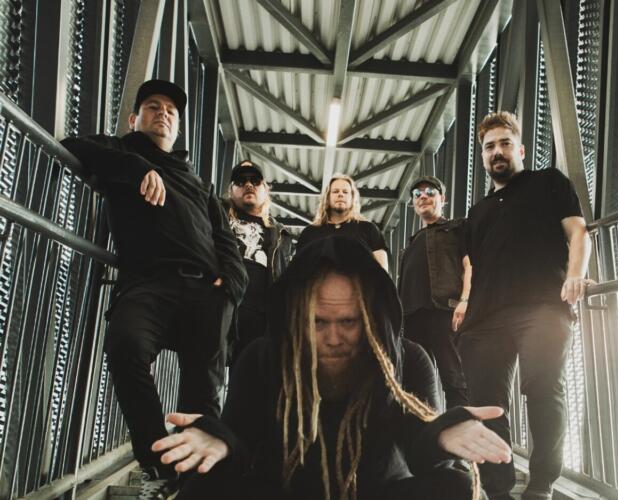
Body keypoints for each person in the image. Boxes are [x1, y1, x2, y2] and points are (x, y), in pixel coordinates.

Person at [152, 237, 512, 500]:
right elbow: (240, 441)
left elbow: (421, 453)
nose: (334, 337)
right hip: (284, 493)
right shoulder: (263, 357)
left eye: (349, 322)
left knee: (457, 486)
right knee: (206, 481)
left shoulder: (409, 360)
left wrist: (440, 438)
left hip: (377, 493)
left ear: (371, 318)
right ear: (296, 317)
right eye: (318, 322)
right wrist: (220, 443)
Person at [61, 80, 247, 486]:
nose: (163, 113)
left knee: (203, 394)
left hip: (206, 291)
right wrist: (137, 168)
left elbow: (226, 242)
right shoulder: (121, 151)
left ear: (177, 128)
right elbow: (72, 146)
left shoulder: (199, 183)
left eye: (171, 111)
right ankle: (159, 461)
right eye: (152, 106)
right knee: (125, 346)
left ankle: (195, 483)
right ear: (134, 118)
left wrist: (231, 286)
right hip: (146, 283)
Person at [458, 111, 593, 500]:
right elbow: (473, 267)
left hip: (542, 306)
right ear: (483, 156)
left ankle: (540, 485)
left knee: (544, 389)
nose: (497, 151)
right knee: (486, 405)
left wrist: (575, 274)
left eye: (504, 143)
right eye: (489, 147)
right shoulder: (478, 212)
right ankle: (497, 487)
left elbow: (578, 232)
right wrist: (465, 302)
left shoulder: (548, 182)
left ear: (520, 149)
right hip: (485, 317)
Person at [398, 175, 470, 409]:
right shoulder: (411, 244)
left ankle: (460, 428)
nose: (423, 197)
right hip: (412, 320)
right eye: (417, 194)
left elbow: (470, 265)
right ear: (413, 203)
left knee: (455, 378)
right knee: (416, 383)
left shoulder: (457, 228)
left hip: (445, 313)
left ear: (443, 199)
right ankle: (423, 429)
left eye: (430, 192)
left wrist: (465, 299)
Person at [226, 159, 293, 364]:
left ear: (265, 189)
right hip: (223, 306)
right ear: (230, 191)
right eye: (240, 181)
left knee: (251, 376)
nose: (248, 184)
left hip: (260, 317)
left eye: (255, 180)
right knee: (207, 374)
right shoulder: (217, 217)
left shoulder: (281, 234)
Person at [296, 174, 389, 270]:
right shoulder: (309, 233)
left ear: (352, 198)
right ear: (327, 197)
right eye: (335, 191)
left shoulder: (369, 229)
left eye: (345, 192)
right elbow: (298, 270)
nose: (340, 194)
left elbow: (383, 272)